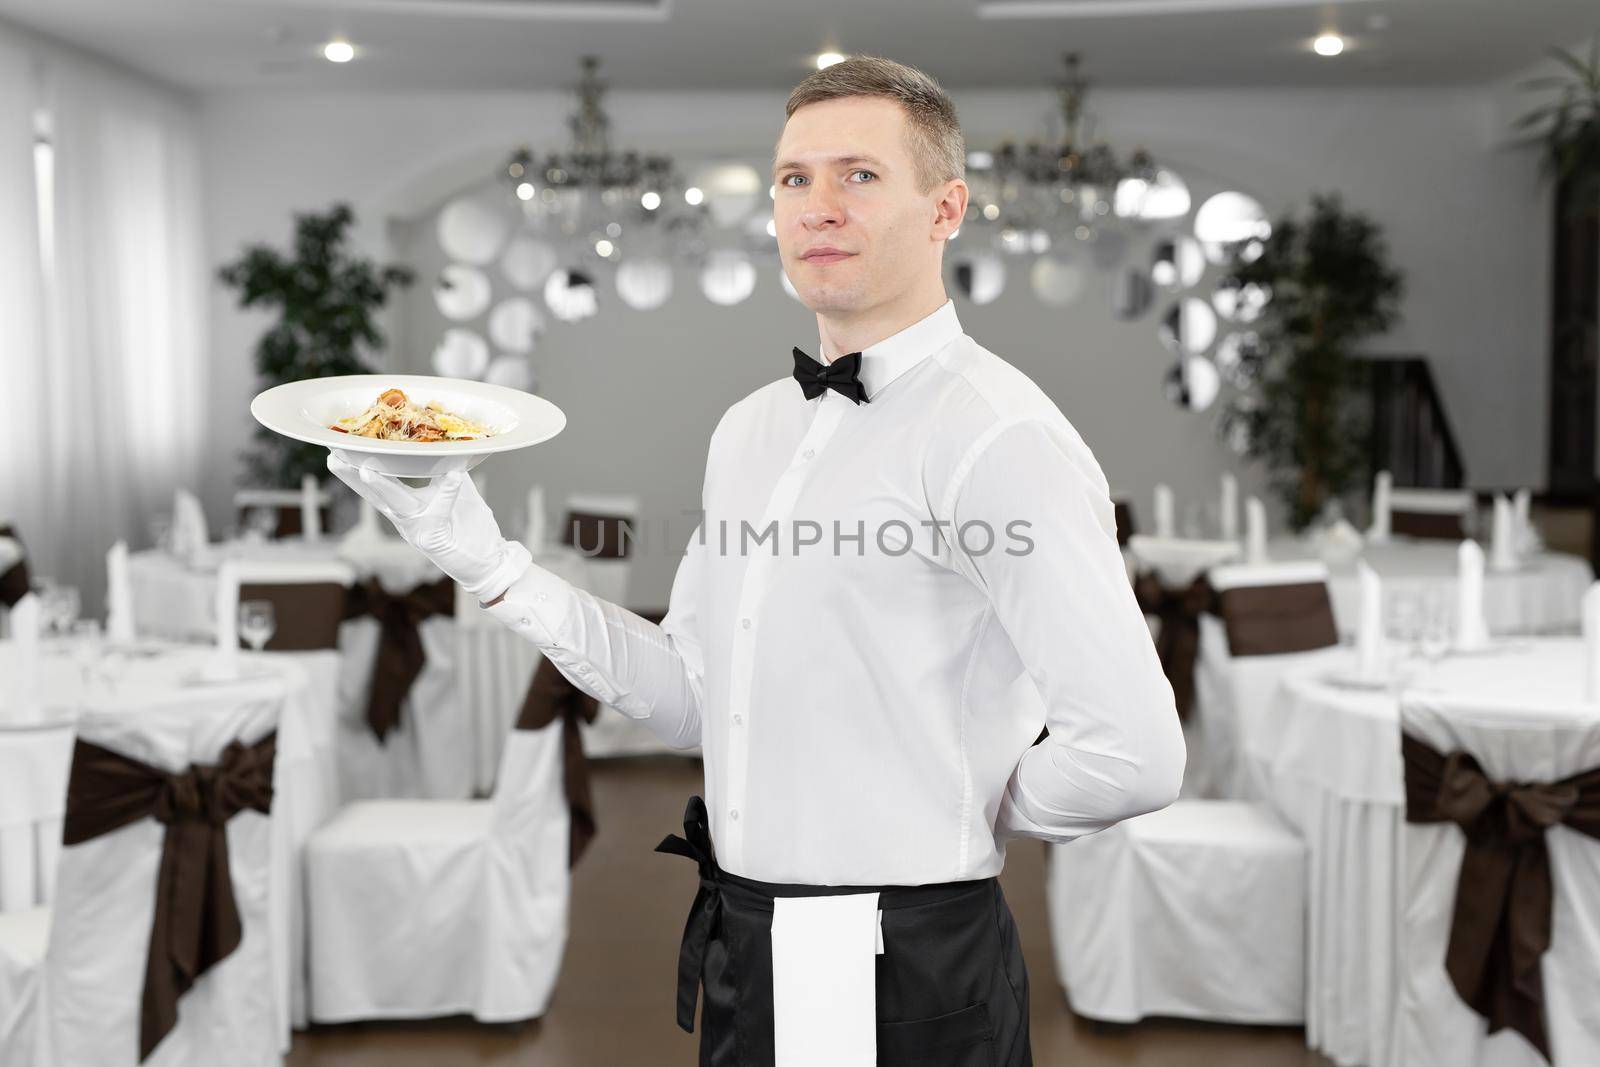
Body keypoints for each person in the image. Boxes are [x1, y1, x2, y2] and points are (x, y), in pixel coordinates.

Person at [329, 54, 1184, 1067]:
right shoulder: (749, 430)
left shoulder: (999, 435)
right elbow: (690, 696)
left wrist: (955, 798)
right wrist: (486, 559)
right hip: (744, 937)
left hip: (907, 961)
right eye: (794, 179)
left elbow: (1133, 753)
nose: (817, 206)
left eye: (859, 175)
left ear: (945, 206)